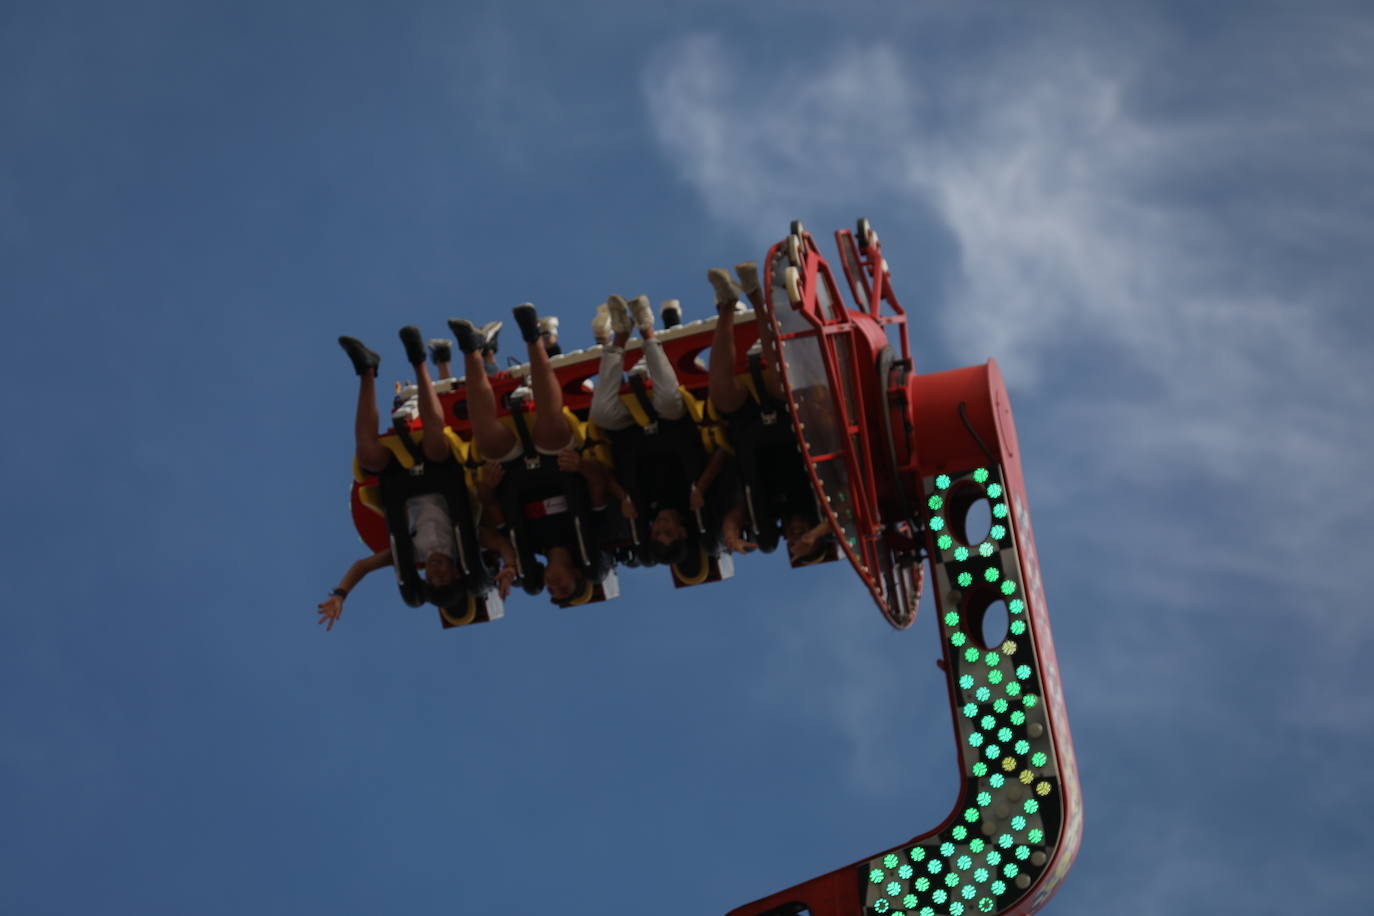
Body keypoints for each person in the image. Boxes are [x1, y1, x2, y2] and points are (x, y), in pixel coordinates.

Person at [318, 326, 517, 631]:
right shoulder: (469, 543)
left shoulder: (410, 554)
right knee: (435, 444)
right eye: (443, 577)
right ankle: (419, 360)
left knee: (368, 455)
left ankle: (366, 370)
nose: (435, 573)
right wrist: (510, 567)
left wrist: (340, 594)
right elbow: (501, 543)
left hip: (401, 482)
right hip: (443, 472)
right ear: (456, 573)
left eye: (431, 578)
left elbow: (362, 566)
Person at [448, 303, 613, 603]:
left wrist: (489, 486)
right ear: (577, 575)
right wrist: (580, 466)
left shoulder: (526, 543)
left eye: (550, 590)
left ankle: (471, 349)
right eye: (563, 588)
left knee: (485, 437)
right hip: (558, 458)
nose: (553, 584)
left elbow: (489, 504)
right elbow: (599, 482)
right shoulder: (591, 532)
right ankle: (532, 336)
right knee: (551, 425)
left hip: (514, 468)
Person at [588, 294, 728, 567]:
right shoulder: (702, 506)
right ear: (682, 532)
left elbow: (604, 473)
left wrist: (622, 497)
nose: (660, 526)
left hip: (632, 432)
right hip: (674, 422)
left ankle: (620, 335)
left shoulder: (638, 512)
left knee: (601, 414)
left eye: (656, 533)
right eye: (668, 532)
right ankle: (646, 329)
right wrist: (702, 486)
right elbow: (725, 453)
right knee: (668, 402)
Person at [706, 264, 831, 563]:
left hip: (749, 430)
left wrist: (731, 534)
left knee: (721, 393)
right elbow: (847, 513)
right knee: (781, 380)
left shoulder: (766, 516)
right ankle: (755, 296)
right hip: (791, 420)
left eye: (793, 542)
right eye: (804, 539)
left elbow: (735, 515)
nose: (796, 536)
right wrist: (816, 534)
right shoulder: (824, 505)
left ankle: (727, 304)